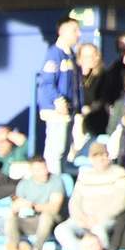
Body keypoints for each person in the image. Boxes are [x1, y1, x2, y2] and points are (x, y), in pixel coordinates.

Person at [37, 16, 82, 175]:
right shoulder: (54, 54)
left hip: (69, 111)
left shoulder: (71, 56)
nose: (79, 34)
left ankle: (60, 181)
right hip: (56, 110)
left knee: (65, 150)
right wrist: (58, 100)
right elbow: (46, 83)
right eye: (74, 30)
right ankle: (53, 182)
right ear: (62, 31)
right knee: (55, 151)